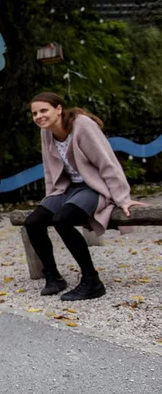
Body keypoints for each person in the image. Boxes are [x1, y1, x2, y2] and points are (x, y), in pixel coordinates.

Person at [25, 92, 146, 301]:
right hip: (67, 188)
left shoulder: (82, 126)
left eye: (44, 110)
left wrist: (123, 198)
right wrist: (49, 199)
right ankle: (53, 277)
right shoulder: (46, 132)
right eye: (35, 113)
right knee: (33, 222)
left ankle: (92, 281)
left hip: (93, 188)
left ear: (59, 109)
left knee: (61, 220)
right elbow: (49, 169)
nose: (39, 116)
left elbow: (107, 163)